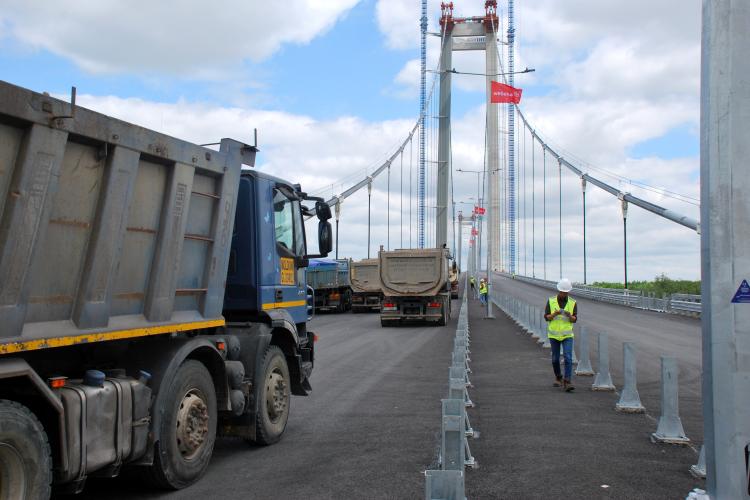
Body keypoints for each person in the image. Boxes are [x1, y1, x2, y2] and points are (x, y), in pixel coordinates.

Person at [544, 278, 578, 392]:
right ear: (559, 290)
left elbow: (574, 319)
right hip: (554, 335)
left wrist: (569, 316)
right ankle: (558, 377)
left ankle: (567, 381)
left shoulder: (573, 303)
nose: (564, 293)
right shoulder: (551, 301)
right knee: (555, 359)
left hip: (567, 335)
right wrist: (554, 314)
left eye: (566, 292)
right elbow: (546, 317)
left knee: (568, 358)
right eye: (563, 292)